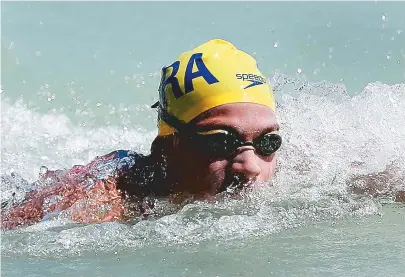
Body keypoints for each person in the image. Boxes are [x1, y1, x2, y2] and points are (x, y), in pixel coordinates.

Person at [1, 39, 403, 230]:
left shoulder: (309, 172)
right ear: (166, 148)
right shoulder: (107, 196)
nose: (249, 165)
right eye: (221, 142)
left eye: (267, 142)